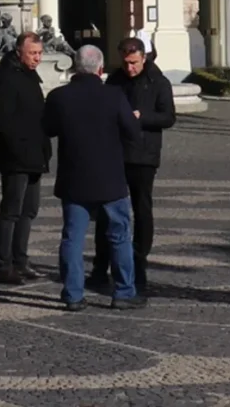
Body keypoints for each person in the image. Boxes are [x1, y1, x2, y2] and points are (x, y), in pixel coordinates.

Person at [41, 43, 143, 309]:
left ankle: (73, 294)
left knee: (73, 238)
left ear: (75, 67)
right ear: (100, 69)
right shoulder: (114, 96)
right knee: (119, 236)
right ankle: (123, 291)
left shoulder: (59, 97)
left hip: (74, 178)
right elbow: (133, 133)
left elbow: (48, 129)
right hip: (110, 178)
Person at [92, 36, 176, 295]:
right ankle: (100, 266)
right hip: (116, 153)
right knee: (107, 211)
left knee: (141, 209)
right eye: (126, 63)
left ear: (144, 57)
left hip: (143, 154)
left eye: (134, 63)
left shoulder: (158, 82)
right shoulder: (116, 80)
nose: (130, 68)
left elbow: (169, 117)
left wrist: (142, 117)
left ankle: (139, 261)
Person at [0, 32, 50, 284]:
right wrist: (21, 147)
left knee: (29, 210)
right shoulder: (7, 77)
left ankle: (21, 260)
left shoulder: (29, 75)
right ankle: (4, 265)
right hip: (16, 155)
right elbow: (4, 121)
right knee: (11, 211)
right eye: (32, 53)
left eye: (39, 53)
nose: (37, 58)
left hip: (35, 153)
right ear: (19, 52)